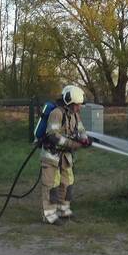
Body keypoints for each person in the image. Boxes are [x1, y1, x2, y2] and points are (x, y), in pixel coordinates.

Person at [39, 85, 92, 225]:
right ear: (69, 102)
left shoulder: (74, 114)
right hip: (52, 156)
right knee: (51, 185)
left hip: (65, 157)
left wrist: (85, 139)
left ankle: (64, 210)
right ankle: (49, 215)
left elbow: (81, 129)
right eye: (77, 105)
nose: (79, 108)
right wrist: (72, 144)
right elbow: (53, 136)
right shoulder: (56, 113)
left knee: (67, 182)